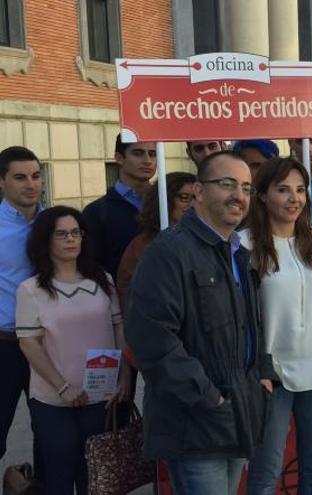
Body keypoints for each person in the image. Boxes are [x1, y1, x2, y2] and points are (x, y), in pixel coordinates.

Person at [126, 151, 272, 495]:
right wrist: (209, 399)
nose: (239, 195)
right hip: (195, 420)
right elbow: (153, 340)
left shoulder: (237, 251)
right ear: (199, 192)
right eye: (227, 184)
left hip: (238, 411)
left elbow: (252, 325)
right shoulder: (170, 252)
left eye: (247, 187)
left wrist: (262, 377)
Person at [242, 157, 312, 494]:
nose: (293, 198)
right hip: (272, 374)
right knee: (265, 468)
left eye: (300, 190)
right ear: (263, 195)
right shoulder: (244, 245)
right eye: (282, 189)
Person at [16, 206, 130, 494]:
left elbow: (119, 329)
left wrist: (124, 378)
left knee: (96, 477)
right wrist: (63, 387)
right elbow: (29, 343)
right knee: (60, 475)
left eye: (76, 233)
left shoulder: (102, 280)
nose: (71, 239)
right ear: (46, 240)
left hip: (101, 397)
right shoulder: (31, 290)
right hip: (54, 400)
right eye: (62, 234)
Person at [0, 146, 42, 462]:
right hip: (5, 346)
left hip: (49, 345)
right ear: (2, 182)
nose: (30, 184)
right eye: (20, 177)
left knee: (50, 435)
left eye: (36, 176)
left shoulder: (56, 224)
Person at [116, 172, 197, 307]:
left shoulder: (205, 240)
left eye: (196, 198)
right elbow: (128, 293)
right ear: (165, 199)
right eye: (184, 198)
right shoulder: (143, 246)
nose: (191, 204)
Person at [82, 135, 156, 281]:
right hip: (118, 297)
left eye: (152, 154)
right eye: (138, 153)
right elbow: (91, 266)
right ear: (119, 158)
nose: (147, 161)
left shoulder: (169, 204)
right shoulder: (96, 212)